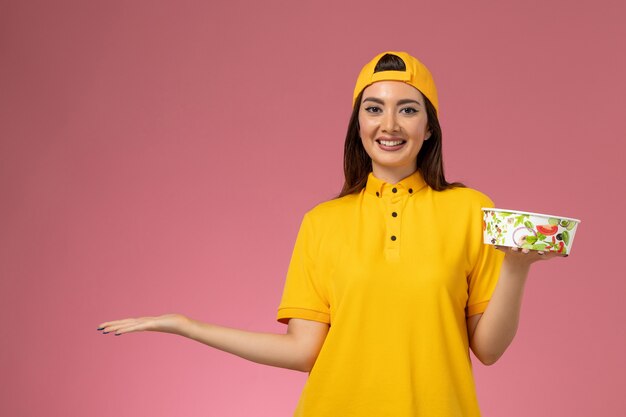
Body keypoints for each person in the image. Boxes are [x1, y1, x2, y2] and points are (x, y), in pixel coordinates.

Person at [98, 51, 560, 416]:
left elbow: (488, 350)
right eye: (374, 108)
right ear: (358, 124)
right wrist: (186, 325)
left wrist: (516, 268)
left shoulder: (472, 209)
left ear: (429, 128)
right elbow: (303, 351)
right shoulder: (322, 221)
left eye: (408, 109)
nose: (390, 125)